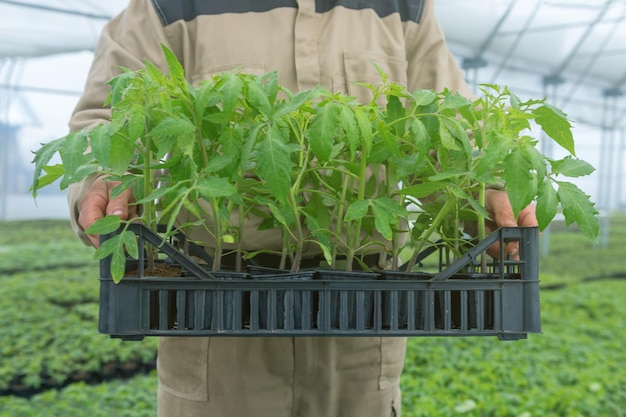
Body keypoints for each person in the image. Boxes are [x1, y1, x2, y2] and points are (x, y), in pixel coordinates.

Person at [67, 1, 538, 416]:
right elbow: (107, 117)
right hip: (215, 315)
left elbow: (448, 127)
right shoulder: (172, 4)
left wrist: (487, 189)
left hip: (363, 314)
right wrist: (102, 179)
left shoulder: (404, 5)